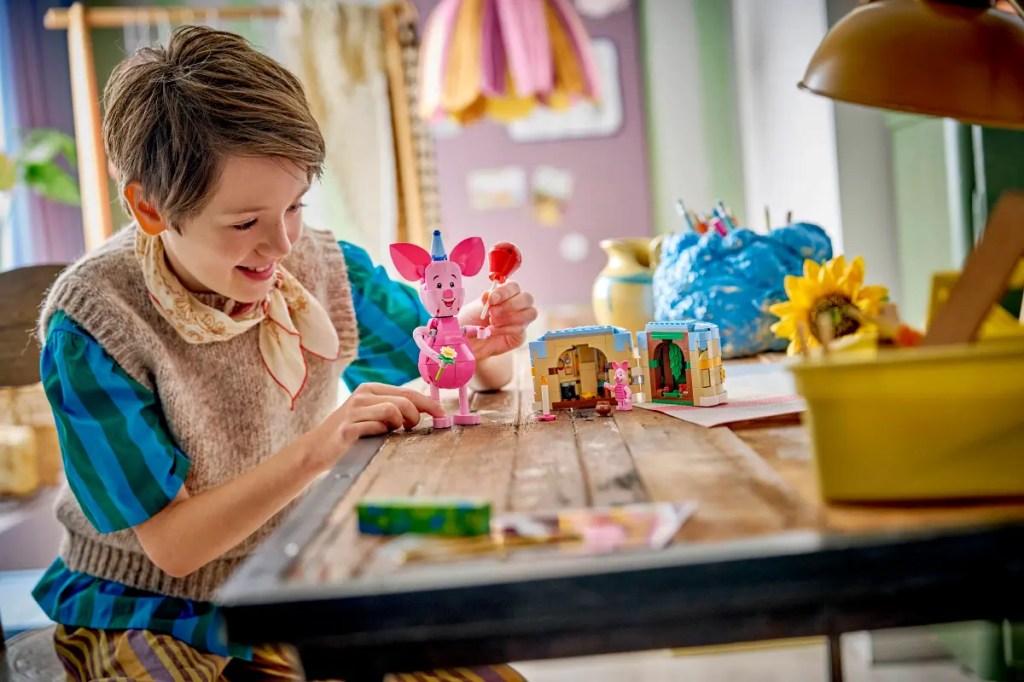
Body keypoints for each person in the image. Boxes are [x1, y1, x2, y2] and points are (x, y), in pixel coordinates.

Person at [33, 25, 536, 681]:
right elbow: (173, 546)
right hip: (147, 606)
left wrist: (481, 345)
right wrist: (321, 447)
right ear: (150, 208)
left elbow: (442, 366)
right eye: (245, 222)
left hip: (291, 576)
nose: (280, 245)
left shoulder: (324, 268)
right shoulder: (93, 326)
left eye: (294, 204)